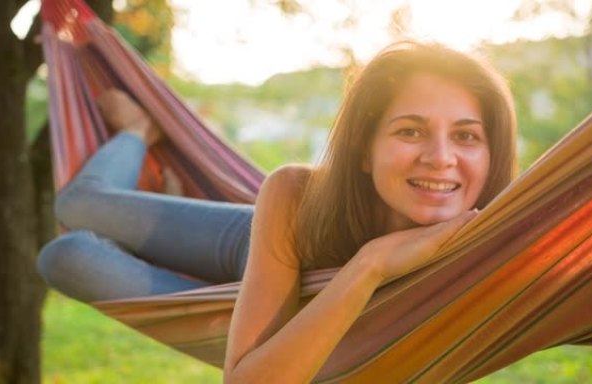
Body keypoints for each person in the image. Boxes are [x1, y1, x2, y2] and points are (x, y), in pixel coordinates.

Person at [37, 40, 516, 382]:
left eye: (466, 136)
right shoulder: (296, 194)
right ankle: (138, 133)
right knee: (76, 205)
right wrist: (369, 262)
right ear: (364, 151)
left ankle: (175, 208)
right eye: (410, 131)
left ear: (492, 154)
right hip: (260, 245)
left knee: (66, 256)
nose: (440, 157)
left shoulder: (507, 248)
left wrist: (369, 270)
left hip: (265, 318)